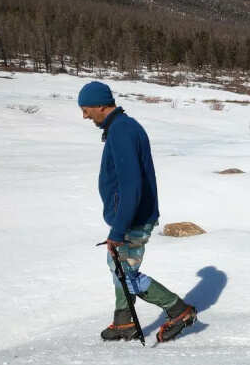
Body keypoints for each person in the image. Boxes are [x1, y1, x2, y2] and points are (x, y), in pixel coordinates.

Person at [78, 81, 196, 342]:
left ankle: (179, 310)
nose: (84, 115)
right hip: (131, 215)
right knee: (118, 264)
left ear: (100, 105)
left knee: (125, 271)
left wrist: (119, 229)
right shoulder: (122, 127)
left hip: (133, 218)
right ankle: (123, 320)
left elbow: (131, 184)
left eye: (86, 109)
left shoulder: (121, 131)